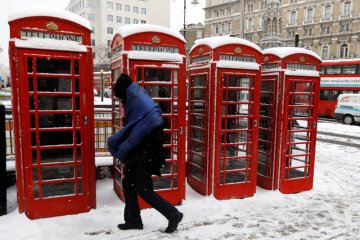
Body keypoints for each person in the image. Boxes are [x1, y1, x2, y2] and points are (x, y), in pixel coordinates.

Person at [107, 73, 183, 234]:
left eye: (121, 99)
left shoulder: (138, 103)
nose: (121, 103)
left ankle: (173, 214)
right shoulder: (136, 99)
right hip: (142, 151)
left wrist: (120, 145)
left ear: (125, 93)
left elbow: (136, 132)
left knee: (144, 189)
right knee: (128, 183)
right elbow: (134, 129)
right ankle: (133, 220)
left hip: (147, 152)